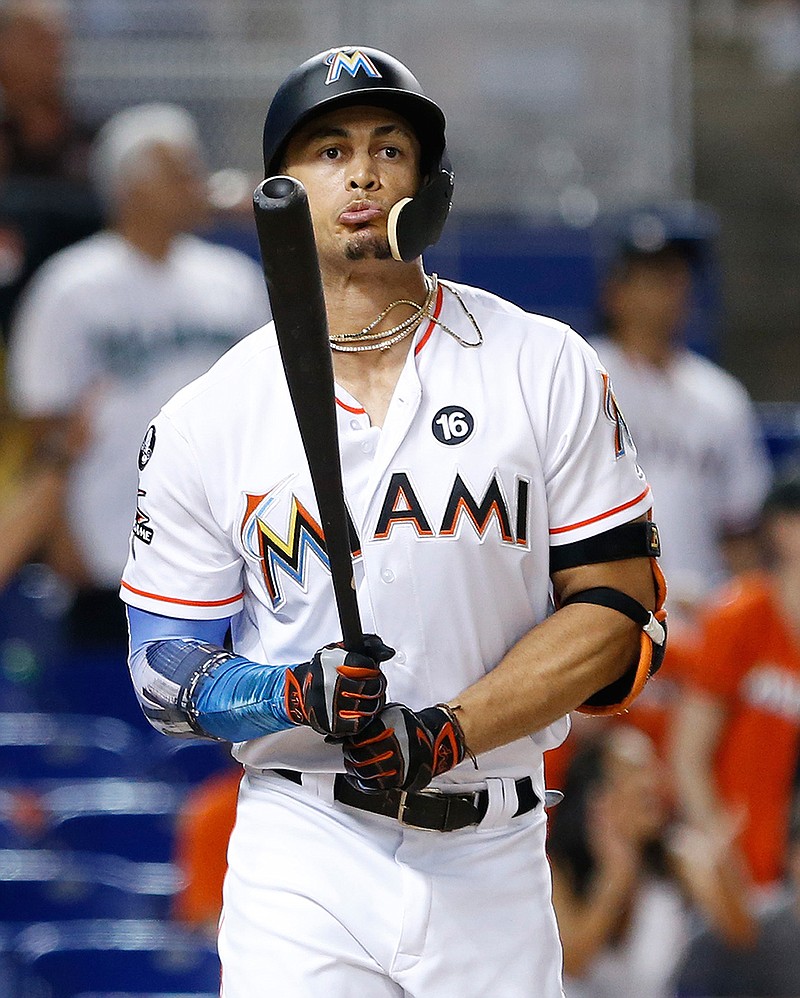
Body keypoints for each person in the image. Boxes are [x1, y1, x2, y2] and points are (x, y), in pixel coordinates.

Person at [120, 46, 668, 997]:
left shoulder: (543, 365)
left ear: (430, 185)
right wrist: (294, 696)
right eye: (329, 150)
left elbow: (617, 615)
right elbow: (162, 664)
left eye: (390, 149)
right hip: (306, 844)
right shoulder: (209, 414)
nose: (363, 172)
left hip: (493, 848)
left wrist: (442, 733)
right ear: (279, 191)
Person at [7, 102, 270, 653]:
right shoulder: (71, 286)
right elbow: (46, 431)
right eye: (180, 172)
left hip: (231, 557)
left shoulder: (236, 282)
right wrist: (64, 546)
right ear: (131, 186)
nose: (196, 184)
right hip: (109, 553)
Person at [670, 469, 800, 899]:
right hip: (743, 865)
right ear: (783, 529)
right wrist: (718, 847)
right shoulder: (738, 618)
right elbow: (688, 753)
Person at [550, 726, 753, 998]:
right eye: (633, 771)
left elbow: (740, 933)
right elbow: (573, 963)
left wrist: (723, 867)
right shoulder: (556, 866)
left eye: (652, 768)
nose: (652, 782)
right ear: (595, 794)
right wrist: (616, 876)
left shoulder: (678, 856)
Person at [0, 0, 103, 341]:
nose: (53, 52)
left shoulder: (91, 137)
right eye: (35, 40)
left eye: (58, 40)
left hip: (83, 322)